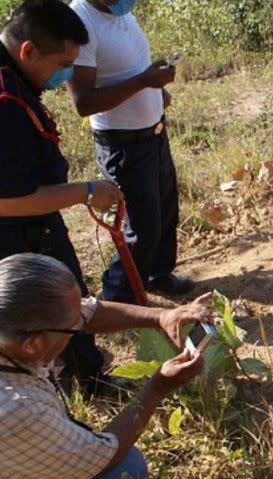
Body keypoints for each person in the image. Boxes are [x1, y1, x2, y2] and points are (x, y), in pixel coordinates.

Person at [0, 0, 125, 393]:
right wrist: (85, 192)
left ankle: (81, 373)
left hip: (33, 227)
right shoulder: (5, 105)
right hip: (19, 235)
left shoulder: (15, 79)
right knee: (54, 306)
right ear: (28, 51)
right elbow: (7, 200)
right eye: (61, 66)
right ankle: (80, 384)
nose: (64, 75)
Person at [0, 253, 210, 479]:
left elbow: (87, 312)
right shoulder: (19, 410)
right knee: (127, 467)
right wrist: (159, 386)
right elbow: (102, 459)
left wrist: (162, 317)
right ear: (33, 345)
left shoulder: (15, 328)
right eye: (75, 328)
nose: (82, 322)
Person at [67, 0, 193, 304]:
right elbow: (83, 102)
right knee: (142, 226)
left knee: (164, 213)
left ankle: (155, 276)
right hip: (123, 145)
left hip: (154, 135)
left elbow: (131, 66)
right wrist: (143, 82)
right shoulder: (80, 20)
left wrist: (155, 89)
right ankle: (116, 296)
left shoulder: (121, 12)